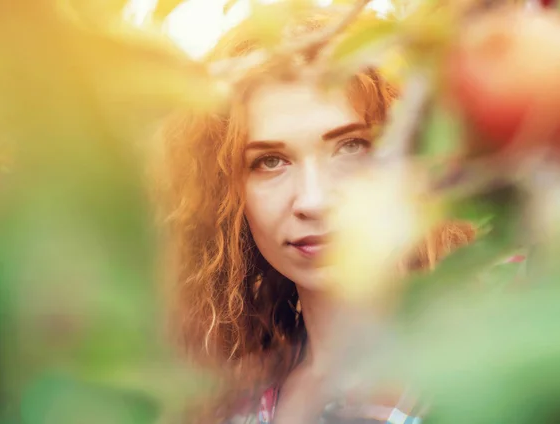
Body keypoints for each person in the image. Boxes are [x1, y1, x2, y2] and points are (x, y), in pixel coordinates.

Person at [157, 8, 475, 424]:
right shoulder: (222, 404)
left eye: (351, 147)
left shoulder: (501, 360)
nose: (312, 199)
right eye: (270, 161)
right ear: (227, 194)